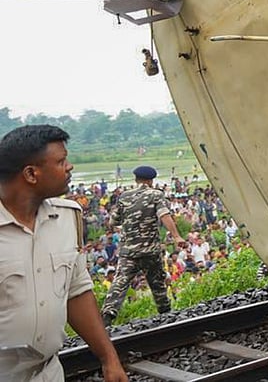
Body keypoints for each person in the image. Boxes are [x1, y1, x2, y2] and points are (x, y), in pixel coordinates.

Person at [0, 125, 127, 382]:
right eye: (60, 161)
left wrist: (109, 358)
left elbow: (76, 292)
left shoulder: (66, 218)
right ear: (31, 174)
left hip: (49, 373)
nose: (69, 167)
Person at [101, 165, 186, 326]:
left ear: (136, 179)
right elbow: (164, 215)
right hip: (150, 250)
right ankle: (166, 317)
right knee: (157, 283)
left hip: (128, 252)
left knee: (120, 282)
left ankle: (108, 315)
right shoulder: (155, 195)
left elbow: (113, 221)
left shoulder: (124, 196)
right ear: (151, 180)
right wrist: (176, 236)